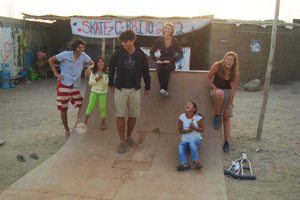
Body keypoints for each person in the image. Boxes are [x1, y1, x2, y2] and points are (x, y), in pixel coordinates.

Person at [109, 30, 151, 154]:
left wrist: (147, 86)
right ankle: (122, 140)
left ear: (133, 40)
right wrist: (111, 84)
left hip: (135, 89)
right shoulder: (117, 53)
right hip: (120, 88)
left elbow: (145, 71)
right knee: (120, 115)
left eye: (126, 41)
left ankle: (128, 136)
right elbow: (111, 69)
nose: (124, 44)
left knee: (133, 115)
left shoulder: (140, 54)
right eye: (122, 42)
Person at [49, 38, 94, 136]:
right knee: (64, 108)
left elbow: (92, 63)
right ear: (75, 47)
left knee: (82, 106)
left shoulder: (83, 56)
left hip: (75, 86)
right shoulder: (65, 54)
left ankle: (77, 125)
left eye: (82, 47)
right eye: (79, 47)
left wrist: (89, 68)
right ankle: (67, 129)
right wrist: (56, 73)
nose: (81, 49)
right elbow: (51, 60)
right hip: (63, 84)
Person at [206, 51, 240, 152]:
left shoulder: (235, 74)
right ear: (225, 59)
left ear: (234, 62)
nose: (228, 61)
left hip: (227, 94)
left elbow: (233, 91)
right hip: (216, 92)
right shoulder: (217, 66)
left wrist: (228, 107)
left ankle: (226, 142)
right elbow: (207, 78)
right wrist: (215, 88)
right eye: (227, 59)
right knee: (220, 93)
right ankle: (217, 115)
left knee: (226, 118)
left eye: (231, 60)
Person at [150, 22, 183, 97]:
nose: (167, 30)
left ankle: (163, 89)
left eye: (169, 29)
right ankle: (164, 90)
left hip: (170, 62)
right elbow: (152, 52)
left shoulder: (175, 41)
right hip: (161, 60)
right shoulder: (159, 40)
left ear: (172, 31)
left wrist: (171, 60)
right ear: (163, 30)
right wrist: (156, 60)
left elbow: (180, 53)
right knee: (159, 68)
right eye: (166, 28)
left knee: (166, 69)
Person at [177, 101, 204, 171]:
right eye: (186, 104)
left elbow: (202, 129)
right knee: (181, 146)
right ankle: (183, 163)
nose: (187, 104)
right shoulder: (182, 117)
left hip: (196, 139)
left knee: (192, 142)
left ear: (194, 109)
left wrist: (194, 128)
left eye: (190, 104)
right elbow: (180, 130)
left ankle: (196, 161)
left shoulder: (198, 117)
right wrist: (188, 131)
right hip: (185, 140)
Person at [83, 56, 108, 130]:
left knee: (102, 107)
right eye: (99, 62)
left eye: (102, 62)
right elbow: (90, 83)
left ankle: (103, 122)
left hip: (103, 92)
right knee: (90, 105)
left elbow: (106, 83)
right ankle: (85, 121)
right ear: (96, 63)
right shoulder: (93, 73)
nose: (101, 63)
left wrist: (102, 79)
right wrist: (96, 79)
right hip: (94, 91)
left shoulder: (105, 73)